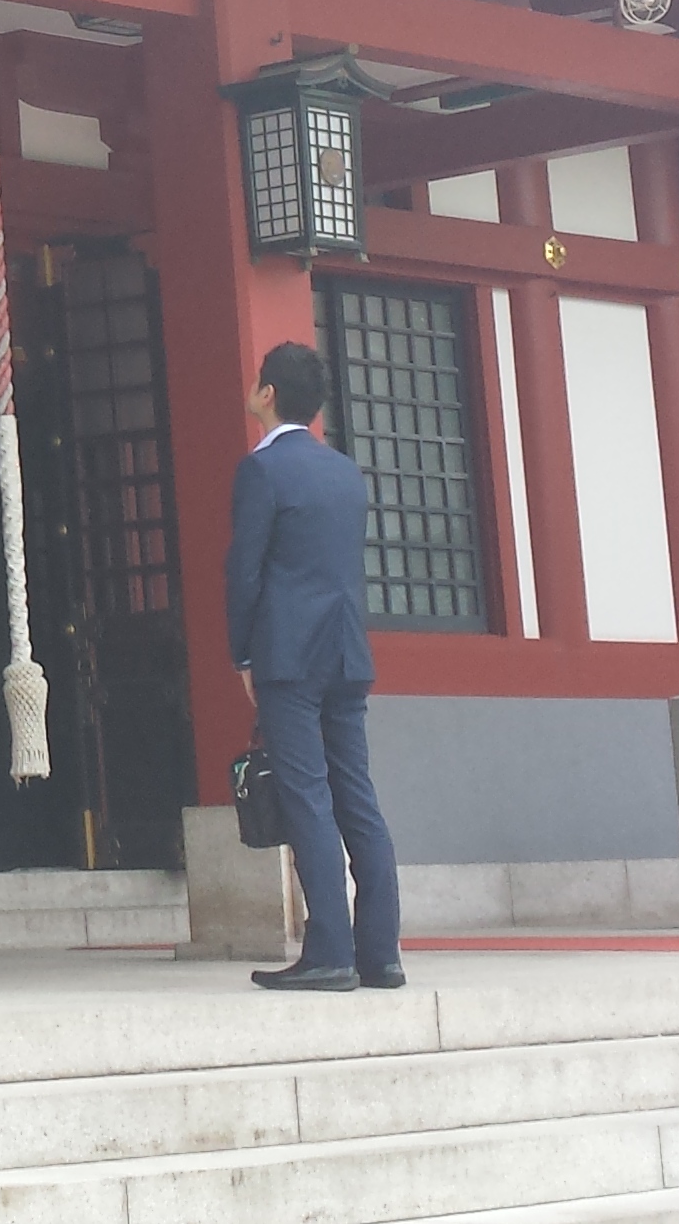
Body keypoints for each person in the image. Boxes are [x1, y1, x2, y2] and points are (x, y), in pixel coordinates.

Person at [225, 341, 403, 993]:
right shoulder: (344, 472)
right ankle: (380, 951)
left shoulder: (263, 470)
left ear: (268, 394)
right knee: (357, 795)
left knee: (307, 795)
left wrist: (243, 652)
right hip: (346, 649)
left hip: (288, 652)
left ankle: (329, 949)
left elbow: (245, 571)